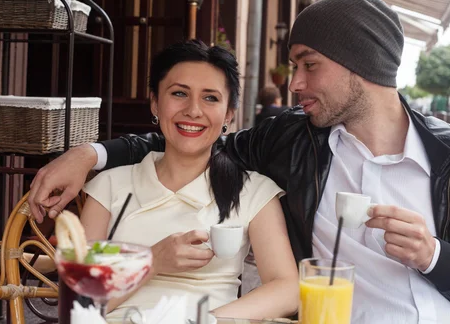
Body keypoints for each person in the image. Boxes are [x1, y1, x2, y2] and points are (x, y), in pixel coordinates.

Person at [29, 0, 450, 324]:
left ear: (361, 66)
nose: (293, 84)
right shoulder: (291, 142)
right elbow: (188, 139)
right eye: (294, 65)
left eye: (308, 65)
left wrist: (435, 255)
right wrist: (89, 154)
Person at [75, 40, 298, 320]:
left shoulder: (253, 191)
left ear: (229, 113)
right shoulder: (109, 187)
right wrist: (153, 261)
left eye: (210, 98)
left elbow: (286, 288)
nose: (193, 110)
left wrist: (207, 319)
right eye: (179, 93)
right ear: (155, 102)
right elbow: (80, 301)